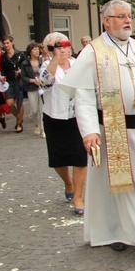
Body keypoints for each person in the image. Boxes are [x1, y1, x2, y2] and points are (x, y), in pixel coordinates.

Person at [58, 0, 135, 260]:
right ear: (107, 21)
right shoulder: (94, 51)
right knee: (123, 188)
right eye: (121, 16)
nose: (128, 20)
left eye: (129, 16)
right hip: (112, 131)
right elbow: (83, 95)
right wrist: (89, 130)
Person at [39, 32, 87, 216]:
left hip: (77, 116)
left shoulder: (77, 64)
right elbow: (45, 83)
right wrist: (54, 60)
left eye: (66, 46)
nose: (63, 50)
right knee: (58, 159)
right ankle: (68, 182)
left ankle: (79, 196)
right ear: (50, 50)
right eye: (58, 47)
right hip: (55, 116)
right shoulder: (47, 66)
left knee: (79, 157)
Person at [1, 35, 27, 133]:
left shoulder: (20, 54)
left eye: (8, 43)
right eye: (4, 43)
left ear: (12, 43)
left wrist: (21, 71)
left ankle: (19, 123)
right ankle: (19, 117)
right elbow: (3, 70)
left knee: (19, 103)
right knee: (10, 103)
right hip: (9, 81)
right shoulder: (3, 57)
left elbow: (26, 66)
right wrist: (2, 76)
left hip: (19, 81)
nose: (6, 45)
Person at [20, 43, 45, 137]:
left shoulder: (42, 61)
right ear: (30, 52)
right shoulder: (25, 63)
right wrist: (33, 81)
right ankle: (36, 124)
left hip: (42, 87)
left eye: (38, 49)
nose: (37, 51)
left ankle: (43, 130)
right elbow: (23, 77)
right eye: (34, 49)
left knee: (42, 110)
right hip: (31, 88)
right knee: (34, 110)